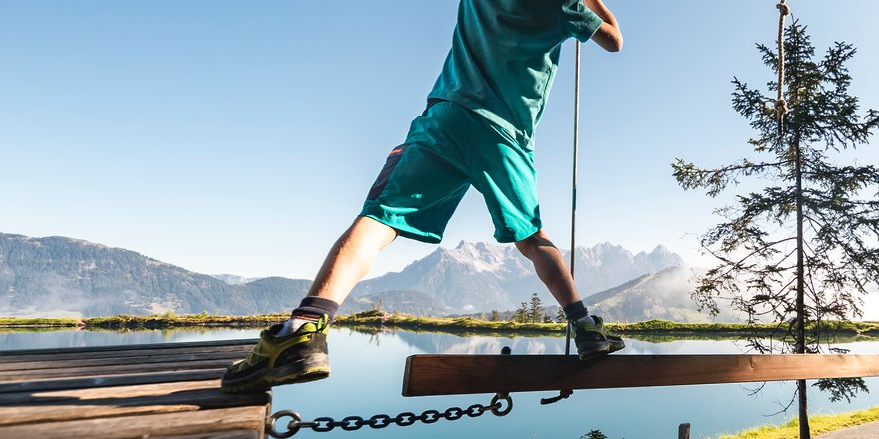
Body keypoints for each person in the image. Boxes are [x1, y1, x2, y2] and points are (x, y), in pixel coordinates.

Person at [222, 0, 626, 393]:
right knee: (533, 238)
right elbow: (614, 39)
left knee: (380, 220)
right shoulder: (565, 6)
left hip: (448, 117)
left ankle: (304, 329)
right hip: (507, 138)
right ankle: (585, 326)